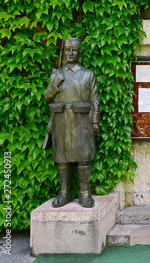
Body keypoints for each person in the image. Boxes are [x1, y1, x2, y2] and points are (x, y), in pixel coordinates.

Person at [45, 37, 100, 208]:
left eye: (74, 50)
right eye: (67, 50)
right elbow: (47, 97)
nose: (70, 53)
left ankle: (84, 194)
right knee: (62, 159)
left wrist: (95, 122)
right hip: (61, 121)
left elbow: (95, 101)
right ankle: (64, 193)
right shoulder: (56, 74)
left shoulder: (88, 75)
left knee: (83, 159)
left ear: (79, 52)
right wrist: (55, 84)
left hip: (82, 122)